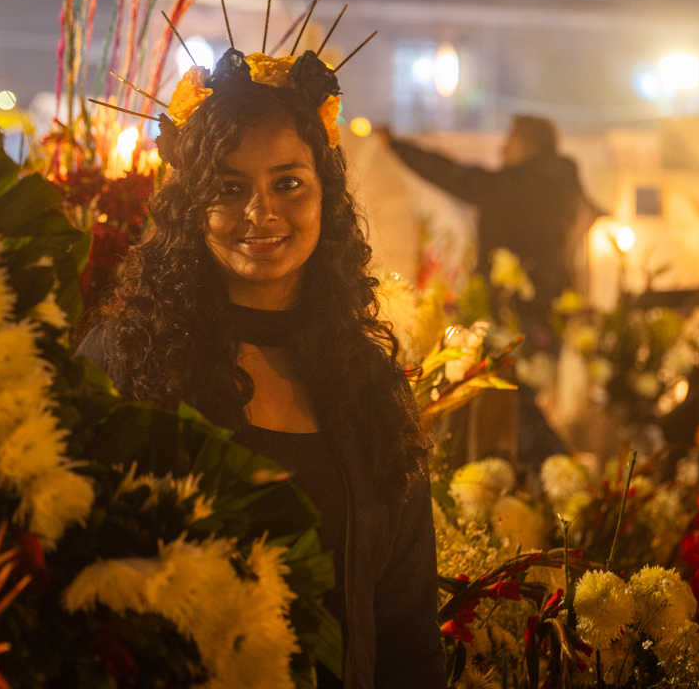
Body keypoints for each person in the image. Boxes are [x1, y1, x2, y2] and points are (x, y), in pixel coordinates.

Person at [78, 47, 447, 688]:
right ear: (191, 205)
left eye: (288, 183)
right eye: (229, 187)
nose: (262, 212)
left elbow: (407, 626)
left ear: (325, 194)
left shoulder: (370, 385)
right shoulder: (122, 366)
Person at [380, 115, 593, 338]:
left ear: (529, 146)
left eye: (511, 140)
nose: (503, 148)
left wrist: (398, 147)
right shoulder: (565, 187)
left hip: (516, 313)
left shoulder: (517, 187)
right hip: (554, 308)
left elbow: (460, 177)